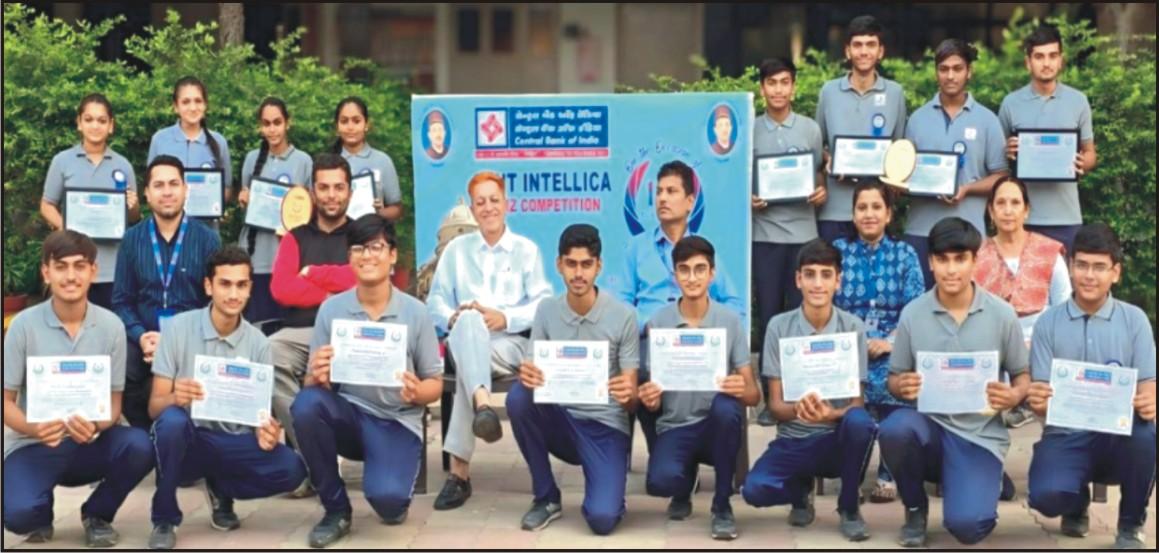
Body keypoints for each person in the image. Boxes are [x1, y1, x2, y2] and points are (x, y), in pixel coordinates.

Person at [291, 214, 442, 549]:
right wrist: (317, 375)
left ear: (392, 255)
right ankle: (335, 510)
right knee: (306, 405)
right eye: (358, 248)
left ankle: (392, 485)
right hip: (350, 415)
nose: (367, 256)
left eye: (376, 247)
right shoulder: (331, 309)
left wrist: (417, 391)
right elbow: (311, 385)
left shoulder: (415, 312)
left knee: (388, 503)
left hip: (396, 421)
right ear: (349, 257)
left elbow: (434, 382)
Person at [879, 217, 1030, 547]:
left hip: (979, 436)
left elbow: (1022, 375)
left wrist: (1014, 395)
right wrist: (901, 386)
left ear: (975, 261)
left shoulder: (1002, 314)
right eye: (942, 259)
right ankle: (915, 508)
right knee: (894, 429)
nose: (951, 270)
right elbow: (894, 378)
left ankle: (981, 479)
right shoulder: (913, 313)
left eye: (960, 259)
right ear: (931, 262)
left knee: (968, 527)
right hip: (930, 430)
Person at [146, 246, 306, 550]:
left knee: (292, 469)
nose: (234, 294)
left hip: (232, 441)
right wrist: (176, 396)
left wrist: (267, 431)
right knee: (171, 423)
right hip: (189, 441)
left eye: (241, 285)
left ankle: (222, 488)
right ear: (209, 286)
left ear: (250, 288)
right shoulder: (177, 328)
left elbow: (260, 415)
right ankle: (164, 518)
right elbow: (155, 407)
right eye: (225, 284)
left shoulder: (259, 343)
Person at [3, 231, 153, 548]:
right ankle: (40, 509)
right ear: (46, 272)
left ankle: (97, 514)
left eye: (80, 266)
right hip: (34, 444)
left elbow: (114, 404)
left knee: (141, 445)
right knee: (19, 515)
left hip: (89, 443)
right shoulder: (22, 326)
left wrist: (96, 425)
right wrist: (34, 428)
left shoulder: (112, 326)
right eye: (61, 267)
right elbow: (5, 402)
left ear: (93, 271)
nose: (71, 276)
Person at [425, 170, 553, 510]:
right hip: (465, 339)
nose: (488, 208)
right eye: (480, 202)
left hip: (509, 345)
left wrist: (505, 317)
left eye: (494, 200)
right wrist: (452, 317)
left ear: (506, 204)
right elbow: (435, 301)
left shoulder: (526, 250)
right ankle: (483, 405)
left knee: (470, 365)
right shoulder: (456, 250)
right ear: (472, 209)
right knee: (468, 320)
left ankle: (459, 475)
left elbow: (543, 303)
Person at [1024, 223, 1155, 550]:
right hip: (1066, 434)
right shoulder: (1048, 323)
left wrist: (1149, 401)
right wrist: (1037, 399)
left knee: (1147, 435)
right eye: (1082, 265)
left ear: (1116, 272)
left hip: (1118, 436)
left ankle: (1130, 525)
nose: (1089, 276)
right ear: (1070, 267)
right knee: (1046, 496)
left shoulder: (1135, 320)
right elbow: (1040, 393)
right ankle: (1074, 501)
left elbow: (1148, 385)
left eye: (1099, 267)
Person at [506, 224, 639, 535]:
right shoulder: (547, 311)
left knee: (602, 520)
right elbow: (533, 368)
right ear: (559, 265)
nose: (578, 274)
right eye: (571, 264)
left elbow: (632, 397)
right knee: (519, 397)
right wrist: (528, 374)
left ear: (599, 266)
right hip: (563, 421)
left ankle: (609, 492)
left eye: (586, 264)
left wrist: (628, 393)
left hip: (605, 426)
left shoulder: (624, 316)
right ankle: (546, 497)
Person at [742, 239, 874, 542]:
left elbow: (857, 404)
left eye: (826, 275)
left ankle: (849, 507)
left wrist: (830, 414)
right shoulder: (778, 327)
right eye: (810, 274)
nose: (817, 284)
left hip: (835, 438)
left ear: (838, 281)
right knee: (754, 490)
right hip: (794, 439)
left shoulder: (852, 327)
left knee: (861, 423)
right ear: (798, 279)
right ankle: (799, 492)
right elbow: (775, 406)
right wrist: (799, 410)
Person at [640, 236, 759, 540]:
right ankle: (682, 487)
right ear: (674, 275)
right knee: (660, 483)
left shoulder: (729, 321)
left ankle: (722, 505)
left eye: (700, 269)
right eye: (684, 270)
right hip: (676, 425)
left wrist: (739, 387)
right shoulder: (659, 322)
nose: (692, 278)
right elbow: (654, 398)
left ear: (712, 274)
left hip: (715, 426)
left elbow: (753, 394)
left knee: (727, 408)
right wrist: (650, 399)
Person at [268, 153, 356, 496]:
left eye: (339, 187)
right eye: (324, 188)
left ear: (349, 191)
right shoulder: (296, 237)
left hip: (348, 332)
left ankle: (316, 461)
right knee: (268, 353)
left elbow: (362, 279)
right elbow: (282, 289)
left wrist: (315, 273)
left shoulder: (361, 234)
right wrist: (333, 291)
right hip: (301, 332)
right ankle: (317, 455)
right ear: (313, 192)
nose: (332, 195)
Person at [112, 155, 221, 430]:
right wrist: (141, 336)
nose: (167, 191)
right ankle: (143, 435)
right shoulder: (131, 240)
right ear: (147, 194)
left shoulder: (208, 240)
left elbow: (215, 303)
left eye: (174, 184)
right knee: (120, 365)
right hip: (144, 338)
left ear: (186, 189)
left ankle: (189, 437)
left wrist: (174, 340)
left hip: (192, 338)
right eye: (158, 185)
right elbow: (122, 301)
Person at [833, 181, 924, 503]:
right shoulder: (837, 253)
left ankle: (889, 472)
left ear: (888, 214)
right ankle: (852, 473)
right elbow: (827, 307)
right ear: (853, 214)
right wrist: (856, 342)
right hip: (848, 346)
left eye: (876, 207)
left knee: (895, 378)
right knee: (848, 383)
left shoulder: (905, 254)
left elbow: (915, 310)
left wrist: (890, 342)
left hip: (895, 345)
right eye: (862, 208)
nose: (869, 214)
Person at [750, 57, 827, 426]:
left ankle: (802, 397)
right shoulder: (750, 129)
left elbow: (817, 175)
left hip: (803, 236)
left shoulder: (810, 129)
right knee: (769, 319)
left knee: (803, 319)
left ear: (794, 87)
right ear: (761, 88)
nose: (778, 89)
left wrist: (820, 192)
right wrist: (749, 198)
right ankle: (773, 401)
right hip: (764, 235)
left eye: (784, 82)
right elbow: (741, 179)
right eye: (771, 83)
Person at [904, 39, 1009, 286]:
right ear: (936, 72)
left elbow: (1001, 177)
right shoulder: (917, 119)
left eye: (957, 68)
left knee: (968, 306)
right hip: (921, 233)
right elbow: (904, 175)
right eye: (943, 69)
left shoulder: (988, 120)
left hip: (969, 234)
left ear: (969, 71)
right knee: (921, 305)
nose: (950, 76)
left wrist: (967, 189)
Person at [975, 176, 1071, 428]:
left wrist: (1036, 345)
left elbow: (1065, 309)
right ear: (991, 211)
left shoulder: (1048, 251)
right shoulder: (976, 255)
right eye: (1001, 203)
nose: (1008, 210)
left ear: (1026, 210)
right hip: (994, 349)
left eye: (1015, 203)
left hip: (1043, 347)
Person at [613, 160, 745, 332]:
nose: (662, 198)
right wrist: (647, 324)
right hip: (648, 338)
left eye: (671, 191)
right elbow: (621, 301)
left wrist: (703, 326)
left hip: (696, 339)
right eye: (659, 192)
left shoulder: (702, 249)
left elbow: (734, 303)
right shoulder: (636, 247)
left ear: (690, 202)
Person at [998, 24, 1097, 253]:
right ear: (1028, 62)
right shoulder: (1011, 103)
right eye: (1039, 56)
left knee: (1065, 278)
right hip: (1021, 218)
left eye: (1053, 56)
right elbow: (998, 163)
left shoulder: (1078, 101)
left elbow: (1090, 153)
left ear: (1061, 60)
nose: (1046, 63)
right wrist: (1007, 151)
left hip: (1067, 217)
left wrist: (1082, 162)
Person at [40, 93, 140, 309]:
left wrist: (132, 206)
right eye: (89, 119)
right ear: (79, 123)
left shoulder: (123, 165)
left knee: (109, 325)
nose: (95, 126)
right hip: (72, 264)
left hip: (112, 268)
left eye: (102, 121)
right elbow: (47, 205)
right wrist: (68, 229)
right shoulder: (62, 161)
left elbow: (133, 217)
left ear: (111, 126)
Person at [815, 14, 908, 244]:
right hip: (835, 210)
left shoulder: (895, 93)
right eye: (857, 45)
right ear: (848, 51)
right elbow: (817, 146)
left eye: (870, 44)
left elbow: (899, 150)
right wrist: (830, 160)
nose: (864, 51)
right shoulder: (829, 92)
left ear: (880, 51)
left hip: (876, 212)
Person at [237, 97, 314, 326]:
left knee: (284, 327)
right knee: (256, 325)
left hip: (288, 258)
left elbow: (310, 210)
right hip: (256, 257)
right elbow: (247, 203)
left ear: (288, 123)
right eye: (266, 123)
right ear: (260, 127)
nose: (272, 129)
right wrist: (244, 200)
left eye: (277, 122)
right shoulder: (252, 159)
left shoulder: (303, 161)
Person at [147, 76, 233, 202]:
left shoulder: (219, 142)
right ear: (176, 106)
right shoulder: (159, 140)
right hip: (168, 214)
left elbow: (227, 189)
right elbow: (152, 186)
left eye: (198, 101)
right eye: (186, 102)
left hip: (206, 214)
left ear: (205, 105)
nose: (193, 108)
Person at [332, 96, 402, 221]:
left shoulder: (383, 161)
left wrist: (380, 213)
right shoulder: (328, 163)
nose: (350, 127)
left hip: (372, 231)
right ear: (337, 127)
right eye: (344, 121)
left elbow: (397, 209)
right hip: (336, 232)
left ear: (366, 125)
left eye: (356, 121)